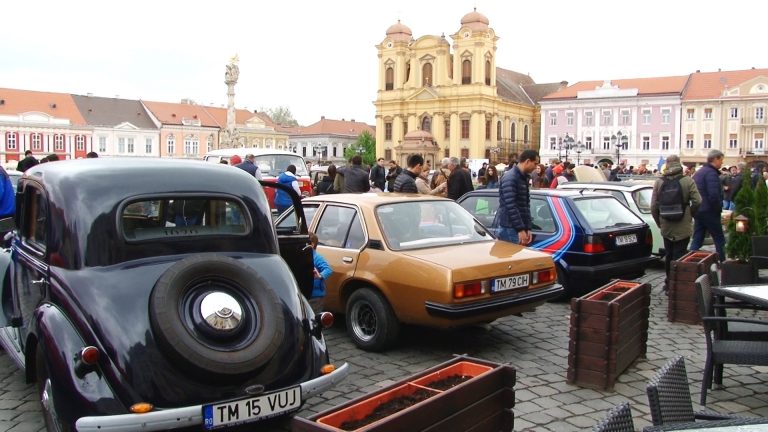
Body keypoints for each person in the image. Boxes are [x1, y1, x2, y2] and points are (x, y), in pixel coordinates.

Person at [650, 155, 702, 291]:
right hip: (683, 223)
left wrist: (659, 221)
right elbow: (698, 201)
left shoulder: (659, 182)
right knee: (679, 255)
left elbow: (653, 206)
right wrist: (690, 213)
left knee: (669, 254)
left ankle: (668, 283)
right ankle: (678, 285)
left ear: (666, 165)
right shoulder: (687, 181)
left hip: (666, 223)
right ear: (679, 165)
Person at [494, 149, 539, 245]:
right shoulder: (511, 177)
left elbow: (525, 205)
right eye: (535, 164)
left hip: (516, 228)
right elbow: (511, 206)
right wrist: (521, 229)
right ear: (527, 161)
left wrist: (528, 228)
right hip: (510, 228)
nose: (536, 167)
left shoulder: (521, 177)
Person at [689, 149, 726, 262]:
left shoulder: (700, 172)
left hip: (699, 210)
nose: (722, 163)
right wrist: (718, 208)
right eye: (721, 160)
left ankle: (689, 261)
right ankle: (722, 262)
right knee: (719, 238)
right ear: (715, 159)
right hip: (709, 210)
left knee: (698, 238)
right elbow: (713, 195)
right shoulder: (711, 173)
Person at [308, 232, 332, 314]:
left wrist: (320, 275)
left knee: (314, 318)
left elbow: (328, 269)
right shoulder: (304, 257)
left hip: (316, 296)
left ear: (312, 244)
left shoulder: (317, 258)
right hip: (307, 295)